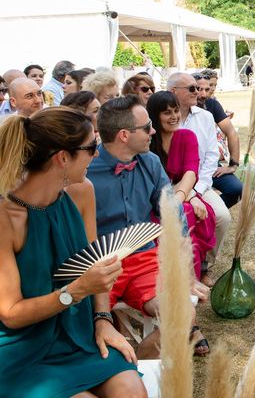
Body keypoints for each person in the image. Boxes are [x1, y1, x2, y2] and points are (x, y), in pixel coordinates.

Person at [0, 107, 146, 397]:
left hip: (82, 336)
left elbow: (97, 261)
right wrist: (76, 290)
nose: (97, 154)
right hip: (24, 351)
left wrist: (103, 320)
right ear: (63, 158)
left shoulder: (82, 191)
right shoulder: (5, 217)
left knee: (131, 391)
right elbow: (11, 314)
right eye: (92, 147)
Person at [87, 95, 209, 358]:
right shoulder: (84, 172)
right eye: (146, 127)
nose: (153, 131)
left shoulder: (151, 162)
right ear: (123, 135)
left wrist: (183, 273)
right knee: (85, 331)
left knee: (183, 311)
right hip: (100, 268)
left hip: (145, 260)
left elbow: (173, 216)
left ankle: (141, 368)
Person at [147, 91, 216, 281]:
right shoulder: (148, 140)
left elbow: (191, 172)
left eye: (176, 110)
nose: (174, 116)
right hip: (155, 198)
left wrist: (181, 198)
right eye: (167, 113)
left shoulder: (187, 136)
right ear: (155, 116)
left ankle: (191, 277)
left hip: (183, 192)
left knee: (189, 213)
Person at [167, 73, 231, 272]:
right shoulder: (160, 118)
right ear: (173, 92)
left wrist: (197, 190)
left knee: (222, 217)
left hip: (199, 184)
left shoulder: (205, 117)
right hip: (167, 185)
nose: (199, 92)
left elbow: (212, 156)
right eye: (192, 88)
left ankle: (204, 265)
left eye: (198, 87)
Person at [195, 72, 243, 209]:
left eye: (208, 89)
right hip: (188, 167)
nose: (203, 94)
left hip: (210, 163)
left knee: (236, 189)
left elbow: (231, 132)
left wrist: (233, 165)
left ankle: (209, 215)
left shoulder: (212, 105)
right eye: (199, 89)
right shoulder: (178, 109)